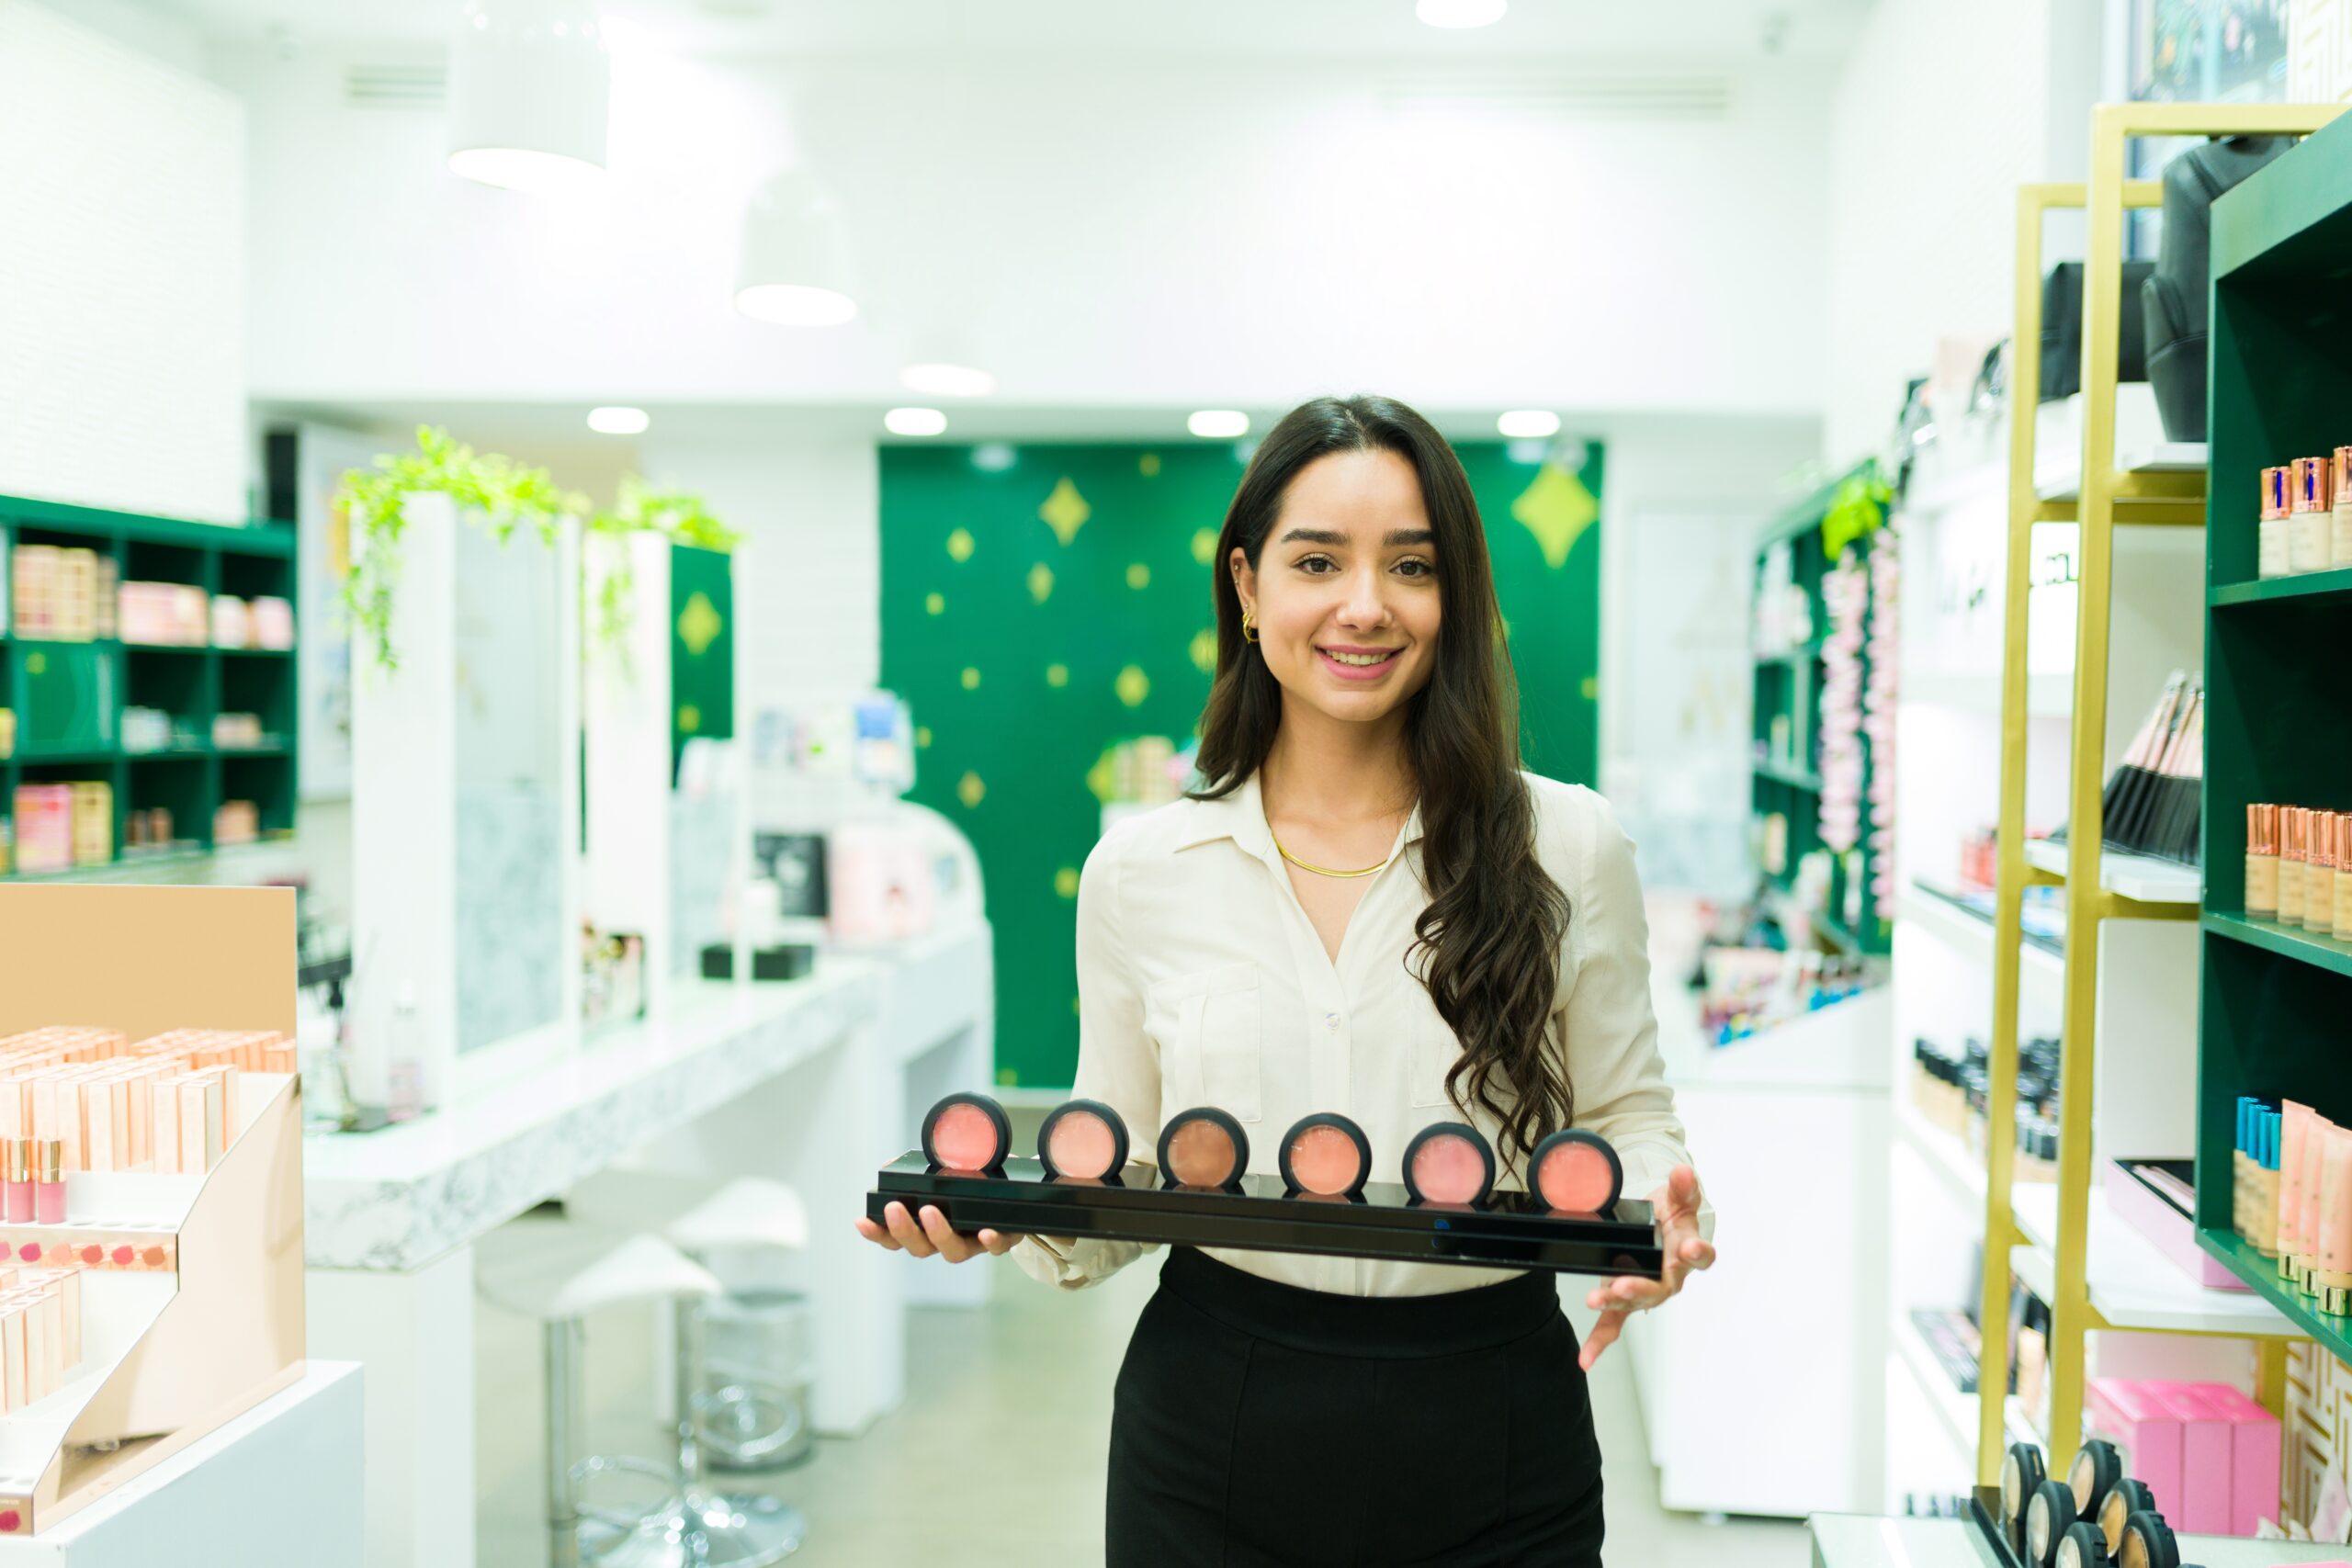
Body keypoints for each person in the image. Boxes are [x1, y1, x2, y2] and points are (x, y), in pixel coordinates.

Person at [855, 393, 1713, 1566]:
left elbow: (1628, 1114)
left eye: (1410, 565)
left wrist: (1660, 1209)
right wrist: (1008, 1224)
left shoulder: (1565, 845)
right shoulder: (1140, 872)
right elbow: (1131, 1161)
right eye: (1318, 561)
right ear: (1249, 587)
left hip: (1496, 1413)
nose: (1365, 605)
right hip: (1213, 1416)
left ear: (1452, 595)